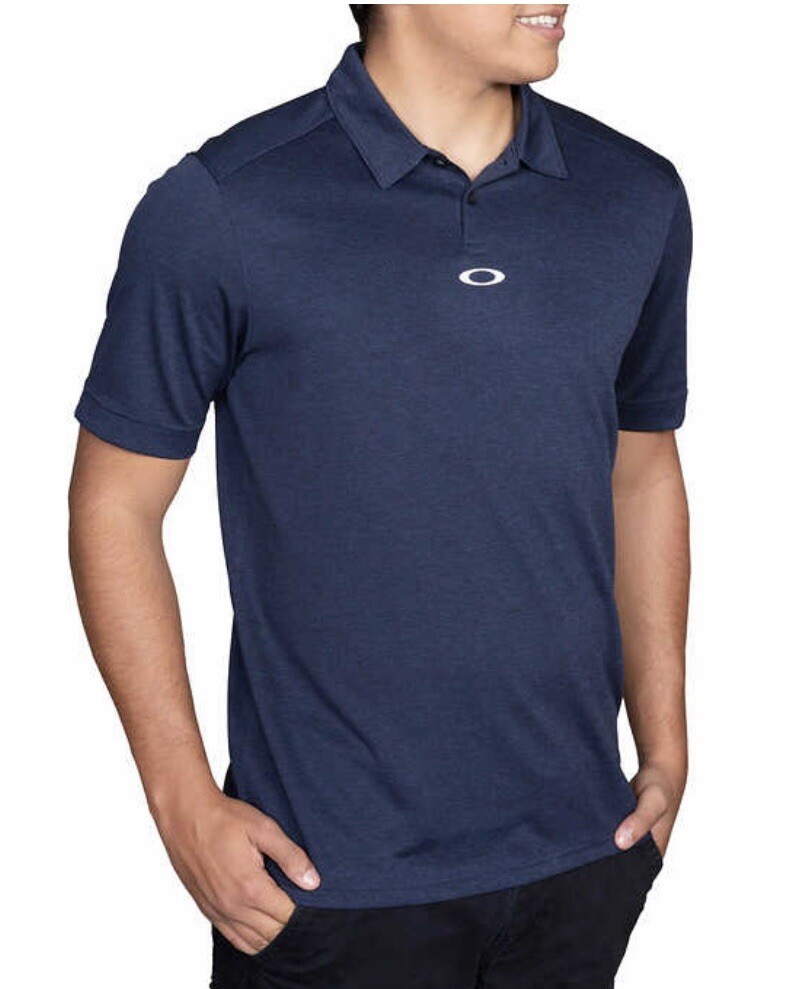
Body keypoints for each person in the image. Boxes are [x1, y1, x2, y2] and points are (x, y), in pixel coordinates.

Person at [68, 5, 691, 987]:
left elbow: (642, 468)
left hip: (581, 857)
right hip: (328, 879)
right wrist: (179, 798)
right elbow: (114, 504)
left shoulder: (636, 196)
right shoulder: (225, 203)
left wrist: (667, 742)